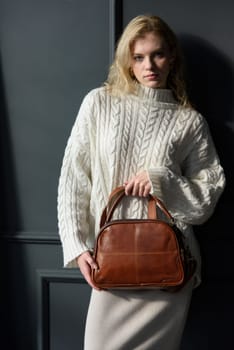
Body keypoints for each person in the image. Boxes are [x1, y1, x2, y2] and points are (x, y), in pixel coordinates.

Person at [57, 14, 225, 350]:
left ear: (172, 57)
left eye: (158, 54)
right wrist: (77, 247)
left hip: (168, 269)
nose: (150, 65)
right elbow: (73, 177)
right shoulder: (98, 103)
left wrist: (160, 180)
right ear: (127, 60)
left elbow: (208, 196)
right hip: (111, 261)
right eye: (139, 56)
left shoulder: (188, 122)